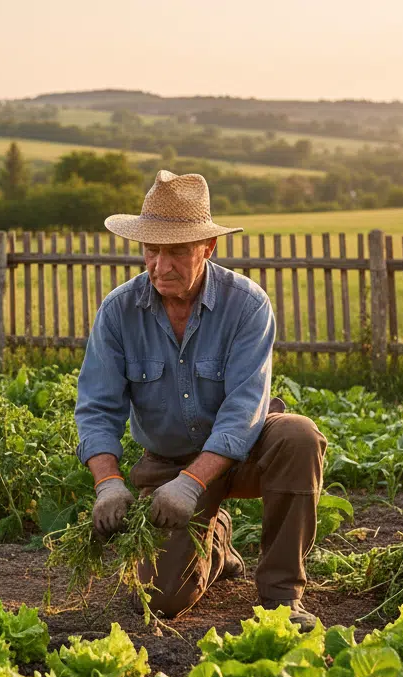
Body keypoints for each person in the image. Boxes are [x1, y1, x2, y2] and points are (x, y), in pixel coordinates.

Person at [74, 170, 328, 629]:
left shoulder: (246, 305)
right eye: (151, 250)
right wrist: (107, 482)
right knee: (161, 600)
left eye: (176, 252)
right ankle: (218, 538)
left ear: (208, 248)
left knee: (298, 436)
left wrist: (194, 484)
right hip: (168, 463)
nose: (160, 266)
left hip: (247, 453)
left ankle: (281, 596)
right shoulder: (118, 311)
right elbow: (97, 407)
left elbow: (244, 410)